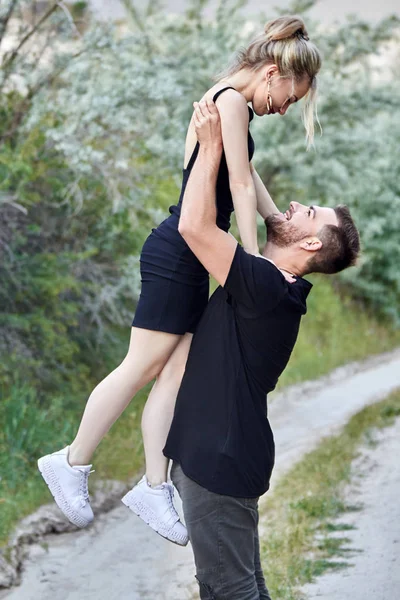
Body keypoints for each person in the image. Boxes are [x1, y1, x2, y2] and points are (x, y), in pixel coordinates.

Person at [37, 15, 322, 545]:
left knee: (174, 373)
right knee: (143, 365)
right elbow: (234, 179)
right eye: (290, 96)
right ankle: (70, 461)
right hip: (177, 252)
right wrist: (254, 260)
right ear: (272, 72)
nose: (285, 108)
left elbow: (248, 174)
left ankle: (152, 484)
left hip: (193, 254)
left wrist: (275, 218)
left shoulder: (233, 106)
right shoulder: (231, 102)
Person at [164, 98, 360, 599]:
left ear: (312, 245)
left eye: (309, 213)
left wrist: (210, 151)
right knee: (243, 588)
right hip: (228, 457)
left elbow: (192, 228)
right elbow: (247, 179)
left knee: (230, 592)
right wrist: (230, 137)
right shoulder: (274, 285)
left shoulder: (266, 287)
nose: (294, 205)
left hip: (219, 461)